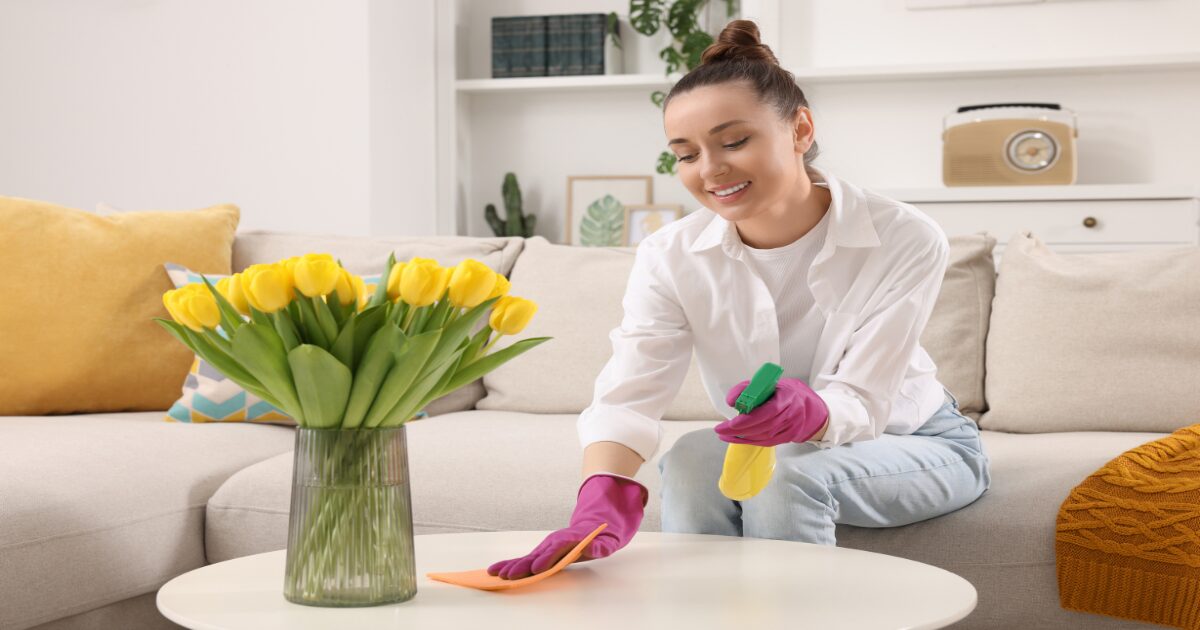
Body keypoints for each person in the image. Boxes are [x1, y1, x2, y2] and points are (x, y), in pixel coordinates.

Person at [487, 19, 992, 581]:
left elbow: (864, 398)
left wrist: (816, 410)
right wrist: (599, 498)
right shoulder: (670, 255)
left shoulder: (903, 236)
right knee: (688, 459)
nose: (710, 170)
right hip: (773, 450)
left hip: (918, 441)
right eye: (685, 154)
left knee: (791, 473)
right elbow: (629, 393)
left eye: (734, 142)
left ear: (800, 129)